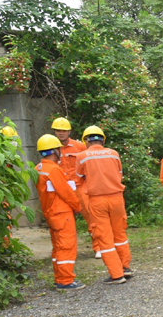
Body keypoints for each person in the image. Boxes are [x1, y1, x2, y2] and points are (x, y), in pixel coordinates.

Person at [75, 126, 133, 285]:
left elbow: (78, 180)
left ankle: (116, 274)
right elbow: (119, 174)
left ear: (86, 140)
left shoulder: (82, 156)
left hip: (97, 200)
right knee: (120, 234)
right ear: (102, 139)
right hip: (117, 199)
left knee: (105, 237)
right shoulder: (113, 154)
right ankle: (125, 267)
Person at [35, 135, 85, 291]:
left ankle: (60, 277)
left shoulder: (38, 169)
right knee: (66, 246)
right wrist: (77, 207)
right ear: (54, 151)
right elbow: (66, 192)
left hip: (51, 213)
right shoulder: (54, 170)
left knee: (58, 247)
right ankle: (65, 280)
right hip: (62, 213)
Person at [51, 117, 96, 257]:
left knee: (91, 217)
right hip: (61, 190)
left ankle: (98, 247)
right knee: (62, 221)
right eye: (58, 131)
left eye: (64, 130)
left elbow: (88, 166)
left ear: (69, 131)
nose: (61, 133)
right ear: (54, 132)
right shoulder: (51, 147)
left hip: (79, 187)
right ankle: (64, 250)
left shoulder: (79, 147)